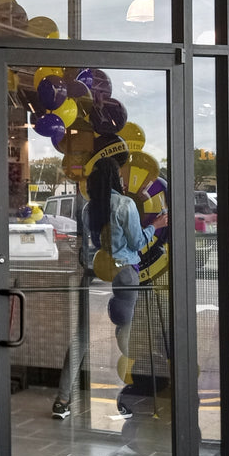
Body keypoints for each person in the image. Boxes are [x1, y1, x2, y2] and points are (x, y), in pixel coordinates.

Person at [52, 141, 148, 421]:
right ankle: (121, 401)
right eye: (119, 176)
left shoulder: (87, 209)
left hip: (93, 277)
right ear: (115, 179)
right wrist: (158, 225)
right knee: (124, 338)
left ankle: (62, 400)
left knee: (81, 337)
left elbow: (85, 251)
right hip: (123, 277)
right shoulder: (125, 205)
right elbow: (138, 241)